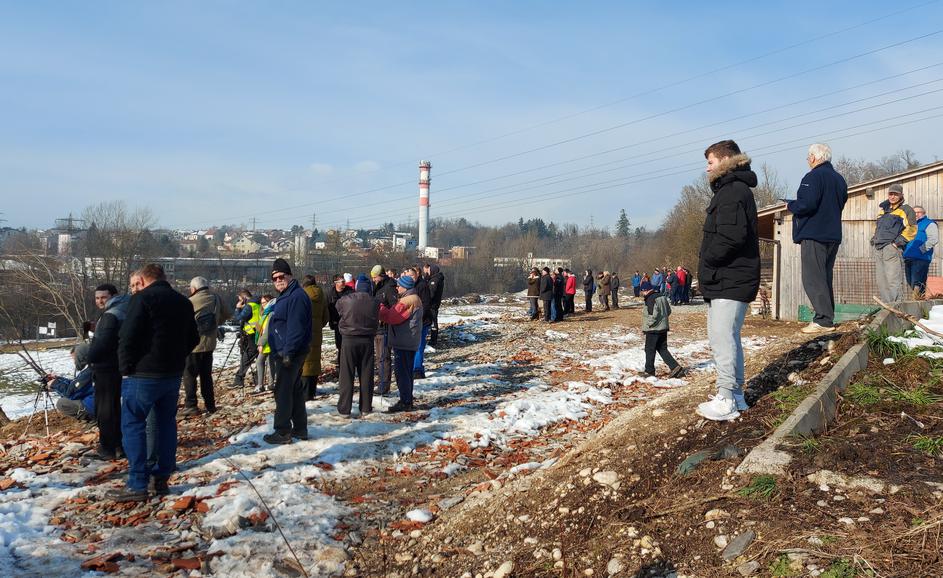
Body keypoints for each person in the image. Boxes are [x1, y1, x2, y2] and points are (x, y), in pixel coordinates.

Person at [109, 264, 198, 501]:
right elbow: (193, 337)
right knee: (166, 424)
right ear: (163, 277)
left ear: (143, 280)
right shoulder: (183, 302)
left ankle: (137, 483)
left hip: (143, 374)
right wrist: (177, 358)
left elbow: (127, 336)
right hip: (172, 374)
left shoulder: (142, 299)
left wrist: (125, 368)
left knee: (133, 424)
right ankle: (161, 478)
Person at [695, 140, 760, 422]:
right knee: (727, 337)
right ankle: (736, 395)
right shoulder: (731, 190)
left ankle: (726, 398)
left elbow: (731, 237)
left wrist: (708, 260)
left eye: (710, 162)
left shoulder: (732, 191)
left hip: (730, 277)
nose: (707, 168)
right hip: (728, 278)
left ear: (724, 161)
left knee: (723, 338)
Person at [785, 143, 848, 333]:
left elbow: (807, 204)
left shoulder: (813, 176)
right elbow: (840, 202)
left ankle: (823, 319)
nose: (808, 161)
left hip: (814, 233)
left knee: (813, 277)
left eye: (808, 157)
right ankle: (827, 317)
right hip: (833, 234)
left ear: (813, 157)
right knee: (824, 277)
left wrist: (791, 205)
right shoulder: (839, 179)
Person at [263, 259, 313, 444]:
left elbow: (296, 328)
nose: (278, 281)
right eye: (274, 278)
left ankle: (282, 431)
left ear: (290, 275)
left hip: (290, 352)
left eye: (281, 276)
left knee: (283, 391)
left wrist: (288, 353)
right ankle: (300, 429)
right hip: (286, 350)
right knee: (294, 390)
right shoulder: (286, 295)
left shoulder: (296, 296)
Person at [86, 283, 128, 460]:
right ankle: (118, 445)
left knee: (106, 409)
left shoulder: (111, 314)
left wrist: (87, 357)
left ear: (114, 296)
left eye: (104, 297)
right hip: (116, 365)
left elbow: (104, 344)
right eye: (97, 298)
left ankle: (108, 448)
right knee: (113, 407)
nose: (100, 301)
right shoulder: (123, 308)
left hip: (107, 367)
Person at [181, 277, 229, 416]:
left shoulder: (190, 301)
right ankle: (210, 405)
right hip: (209, 344)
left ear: (194, 289)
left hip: (193, 345)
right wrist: (216, 322)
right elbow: (228, 313)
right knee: (206, 376)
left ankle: (191, 405)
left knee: (189, 375)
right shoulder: (216, 298)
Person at [335, 275, 379, 416]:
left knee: (346, 374)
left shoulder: (346, 300)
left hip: (349, 339)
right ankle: (365, 407)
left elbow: (338, 308)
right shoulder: (375, 302)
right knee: (366, 374)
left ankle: (344, 409)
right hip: (367, 340)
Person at [379, 274, 424, 412]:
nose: (397, 288)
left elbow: (391, 317)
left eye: (399, 286)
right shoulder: (415, 298)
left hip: (404, 341)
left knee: (402, 373)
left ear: (405, 287)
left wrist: (380, 307)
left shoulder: (407, 301)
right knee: (407, 372)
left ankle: (405, 402)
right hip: (410, 341)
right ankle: (407, 399)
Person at [871, 183, 917, 303]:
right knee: (881, 281)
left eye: (895, 194)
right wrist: (874, 239)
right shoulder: (883, 210)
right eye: (890, 194)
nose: (892, 197)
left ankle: (897, 306)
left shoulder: (906, 210)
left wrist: (896, 244)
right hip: (878, 248)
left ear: (901, 195)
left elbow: (912, 229)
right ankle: (888, 307)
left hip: (891, 249)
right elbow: (878, 228)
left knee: (893, 280)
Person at [637, 282, 685, 378]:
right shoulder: (662, 296)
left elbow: (653, 315)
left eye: (642, 291)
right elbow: (668, 311)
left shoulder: (650, 298)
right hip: (663, 328)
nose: (642, 293)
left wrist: (648, 325)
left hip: (653, 329)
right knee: (662, 349)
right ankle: (676, 368)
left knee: (649, 349)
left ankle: (649, 371)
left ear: (645, 290)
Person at [46, 344, 95, 423]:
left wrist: (55, 384)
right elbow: (74, 384)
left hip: (96, 407)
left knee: (62, 403)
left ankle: (93, 419)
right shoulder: (93, 367)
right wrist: (58, 379)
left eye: (74, 359)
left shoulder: (89, 372)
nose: (74, 362)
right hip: (100, 403)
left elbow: (71, 393)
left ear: (81, 357)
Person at [301, 275, 329, 400]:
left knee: (305, 361)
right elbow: (326, 316)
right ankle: (312, 390)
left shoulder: (302, 295)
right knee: (315, 361)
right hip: (317, 333)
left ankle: (305, 393)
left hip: (304, 333)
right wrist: (318, 326)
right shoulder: (321, 295)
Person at [372, 265, 398, 394]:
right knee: (379, 357)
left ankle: (384, 385)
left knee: (384, 357)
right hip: (377, 328)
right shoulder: (378, 286)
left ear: (381, 276)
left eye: (375, 277)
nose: (373, 280)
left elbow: (394, 308)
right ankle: (381, 381)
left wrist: (385, 316)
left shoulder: (389, 288)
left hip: (385, 328)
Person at [904, 206, 937, 296]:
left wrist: (921, 250)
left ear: (924, 213)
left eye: (918, 212)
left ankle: (917, 300)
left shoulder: (929, 223)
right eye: (914, 212)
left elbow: (933, 239)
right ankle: (919, 300)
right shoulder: (910, 225)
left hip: (921, 258)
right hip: (908, 257)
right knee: (910, 282)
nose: (916, 214)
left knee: (917, 283)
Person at [231, 289, 260, 388]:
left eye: (240, 299)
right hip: (258, 333)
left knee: (247, 357)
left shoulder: (249, 306)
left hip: (251, 334)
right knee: (258, 358)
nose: (239, 301)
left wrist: (237, 308)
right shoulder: (257, 304)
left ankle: (239, 379)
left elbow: (238, 318)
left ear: (243, 298)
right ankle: (258, 380)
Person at [410, 266, 434, 379]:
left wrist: (418, 317)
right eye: (408, 275)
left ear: (417, 274)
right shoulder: (411, 286)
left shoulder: (422, 285)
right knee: (414, 346)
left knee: (419, 346)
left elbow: (426, 304)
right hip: (414, 321)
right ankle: (415, 368)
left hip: (422, 321)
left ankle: (418, 370)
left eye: (412, 275)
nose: (410, 277)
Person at [253, 294, 278, 393]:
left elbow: (267, 331)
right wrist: (256, 325)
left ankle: (261, 385)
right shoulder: (265, 313)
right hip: (268, 341)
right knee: (270, 363)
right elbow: (261, 328)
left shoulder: (271, 313)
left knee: (260, 361)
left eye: (264, 302)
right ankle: (270, 384)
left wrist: (260, 343)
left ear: (269, 302)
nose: (262, 305)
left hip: (268, 342)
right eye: (261, 303)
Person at [328, 274, 353, 367]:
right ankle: (341, 364)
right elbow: (328, 308)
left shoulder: (350, 292)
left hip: (348, 322)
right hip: (337, 323)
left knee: (348, 345)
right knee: (339, 344)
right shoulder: (330, 293)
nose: (343, 283)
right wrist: (331, 321)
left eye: (344, 281)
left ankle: (348, 363)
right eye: (342, 281)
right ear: (336, 283)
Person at [425, 264, 445, 347]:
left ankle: (433, 340)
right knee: (432, 321)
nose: (428, 272)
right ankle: (433, 338)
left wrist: (427, 300)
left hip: (433, 304)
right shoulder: (435, 279)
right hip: (433, 304)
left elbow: (431, 293)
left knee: (433, 322)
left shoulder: (435, 280)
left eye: (429, 270)